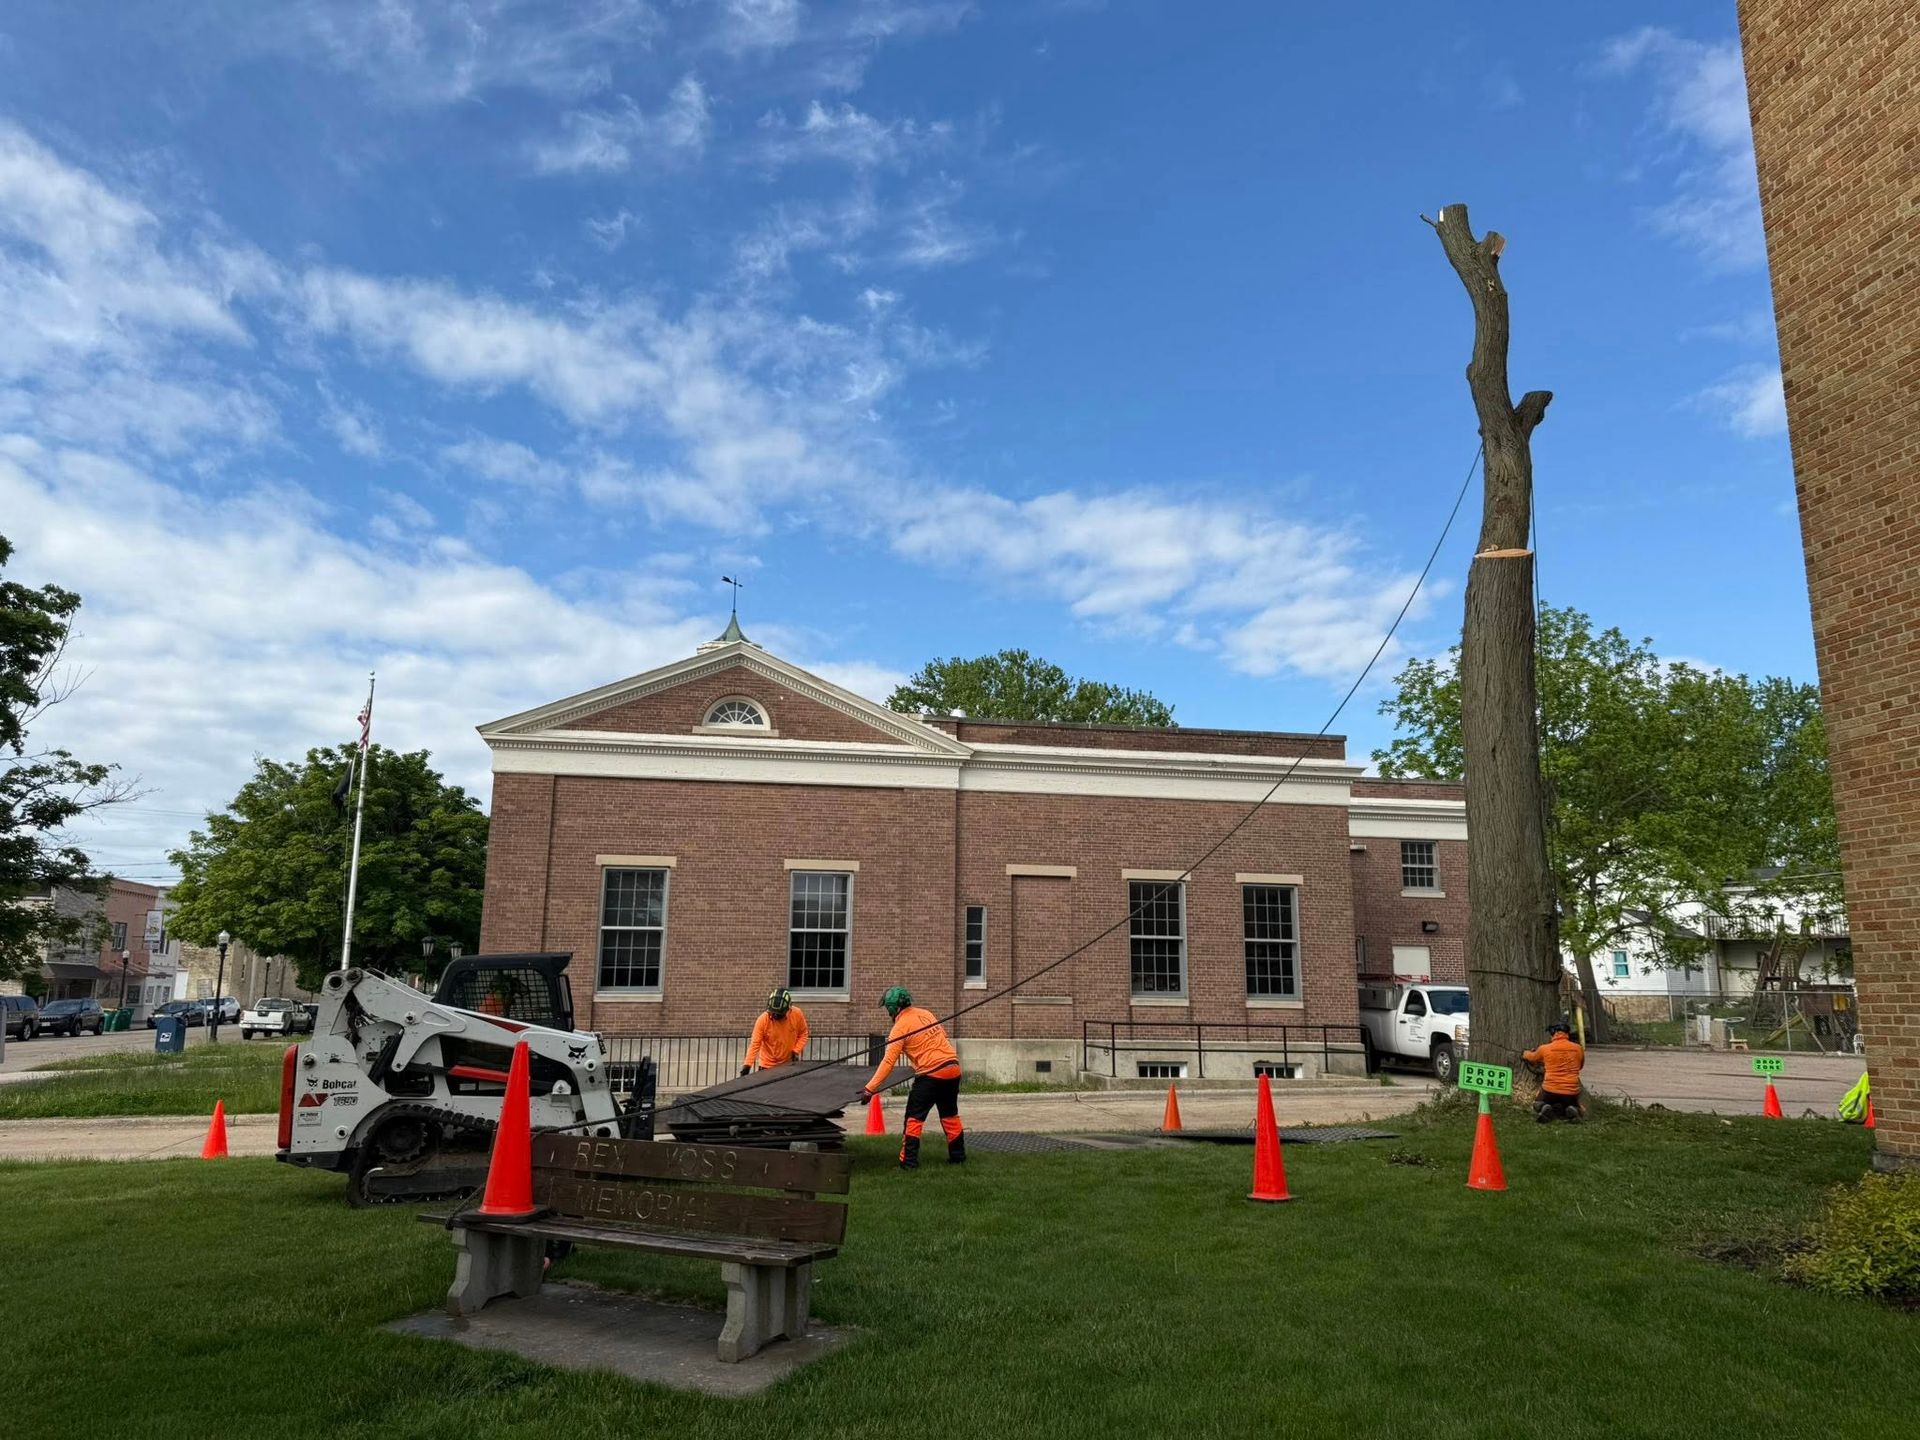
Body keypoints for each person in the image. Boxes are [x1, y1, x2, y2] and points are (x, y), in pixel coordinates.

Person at [860, 986, 965, 1169]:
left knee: (914, 1119)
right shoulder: (926, 1014)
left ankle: (908, 1163)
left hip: (931, 1074)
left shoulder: (900, 1027)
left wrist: (870, 1089)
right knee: (950, 1115)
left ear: (893, 1008)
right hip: (953, 1068)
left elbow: (888, 1063)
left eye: (887, 1008)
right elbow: (942, 1037)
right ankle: (958, 1158)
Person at [1524, 1021, 1585, 1123]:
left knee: (1537, 1102)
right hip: (1571, 1090)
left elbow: (1532, 1057)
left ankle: (1544, 1106)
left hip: (1550, 1090)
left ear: (1553, 1033)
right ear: (1567, 1033)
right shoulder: (1578, 1048)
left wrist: (1525, 1053)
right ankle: (1573, 1109)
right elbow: (1580, 1066)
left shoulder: (1545, 1048)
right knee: (1572, 1103)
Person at [740, 988, 808, 1075]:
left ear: (788, 1009)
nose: (775, 1015)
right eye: (773, 1012)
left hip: (788, 1064)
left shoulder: (797, 1014)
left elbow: (803, 1034)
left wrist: (796, 1050)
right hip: (767, 1066)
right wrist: (747, 1067)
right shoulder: (763, 1020)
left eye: (779, 1014)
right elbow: (755, 1045)